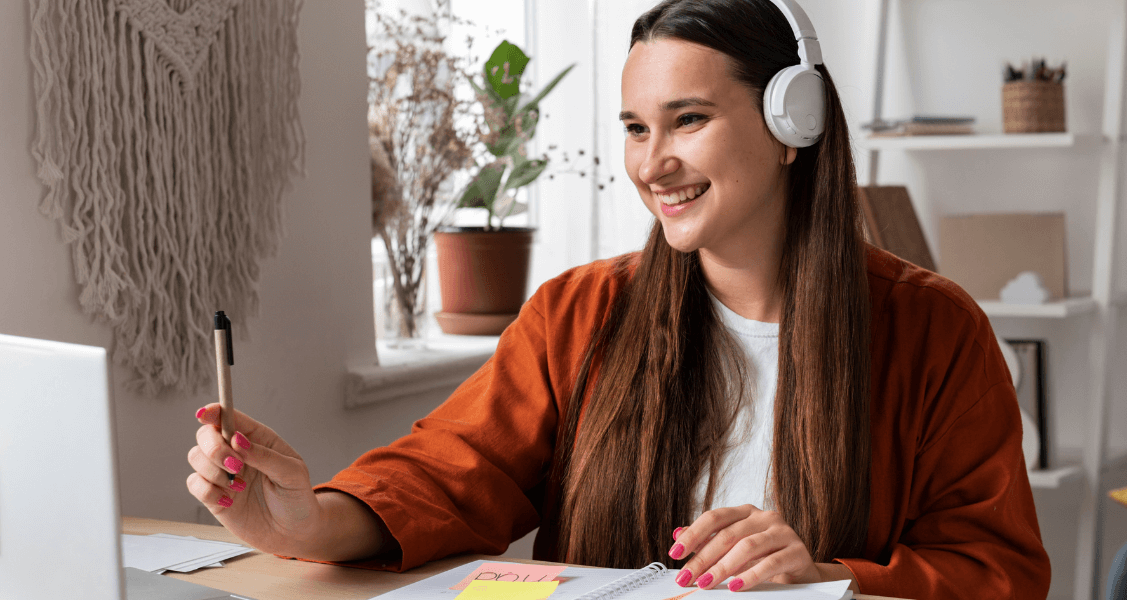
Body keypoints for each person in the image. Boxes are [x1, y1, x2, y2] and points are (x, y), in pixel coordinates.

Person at [186, 1, 1051, 598]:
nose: (651, 163)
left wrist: (832, 578)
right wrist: (302, 520)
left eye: (688, 121)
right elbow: (450, 473)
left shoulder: (936, 331)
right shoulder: (581, 314)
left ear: (796, 126)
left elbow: (999, 574)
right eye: (636, 129)